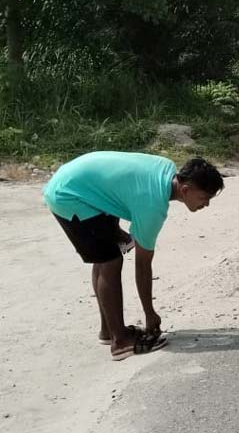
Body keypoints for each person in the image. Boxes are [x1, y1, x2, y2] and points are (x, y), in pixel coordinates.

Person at [43, 152, 225, 361]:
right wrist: (150, 313)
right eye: (204, 198)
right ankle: (120, 342)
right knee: (110, 260)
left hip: (77, 184)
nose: (206, 205)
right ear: (185, 190)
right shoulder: (153, 206)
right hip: (69, 196)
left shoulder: (165, 168)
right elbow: (143, 266)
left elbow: (119, 186)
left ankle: (109, 331)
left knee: (105, 257)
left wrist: (113, 229)